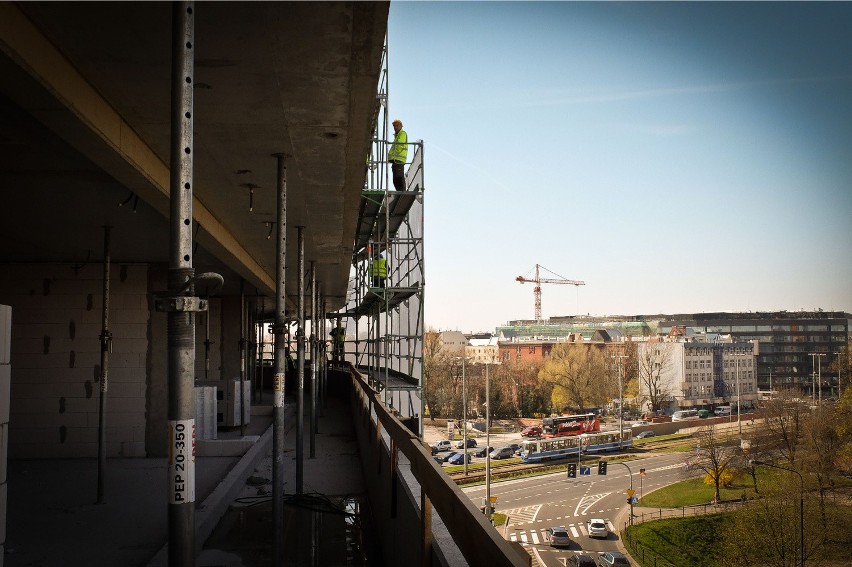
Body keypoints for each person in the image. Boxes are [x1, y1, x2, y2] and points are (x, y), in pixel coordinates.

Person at [388, 119, 408, 191]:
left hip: (399, 159)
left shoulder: (402, 133)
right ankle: (400, 192)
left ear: (401, 126)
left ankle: (402, 192)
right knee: (395, 179)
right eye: (394, 126)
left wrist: (393, 155)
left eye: (397, 125)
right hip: (395, 160)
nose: (395, 127)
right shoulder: (397, 136)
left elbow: (399, 145)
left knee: (399, 177)